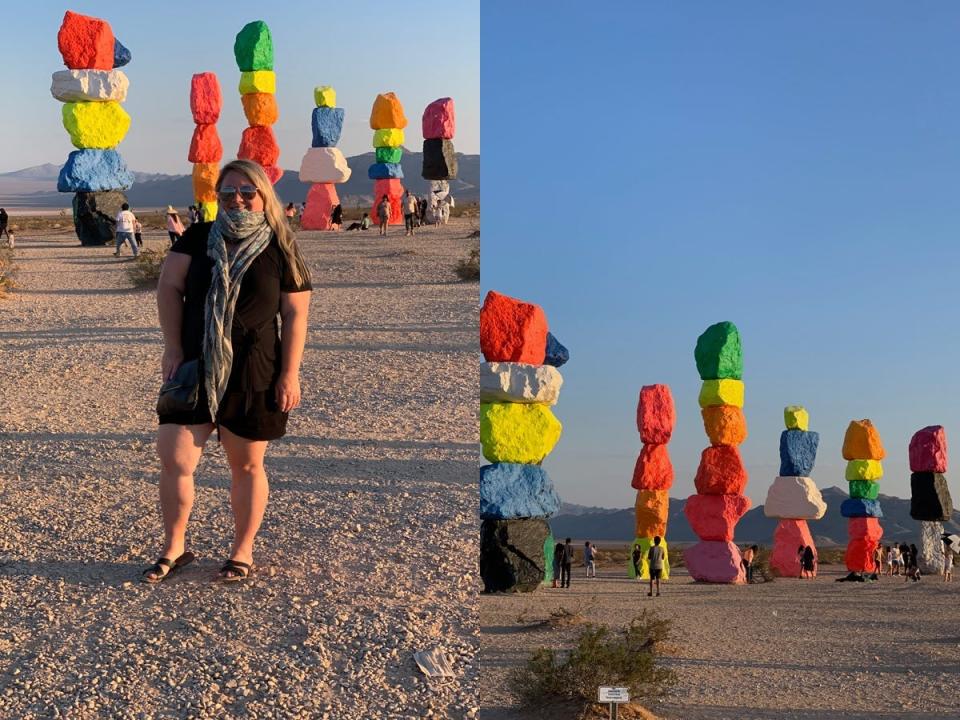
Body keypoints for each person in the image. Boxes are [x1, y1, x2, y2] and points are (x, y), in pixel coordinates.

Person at [143, 159, 312, 584]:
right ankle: (175, 547)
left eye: (246, 192)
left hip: (255, 370)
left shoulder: (282, 246)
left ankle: (242, 550)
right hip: (195, 365)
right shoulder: (197, 238)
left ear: (262, 196)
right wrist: (173, 345)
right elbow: (169, 287)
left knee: (247, 465)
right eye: (227, 192)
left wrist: (290, 374)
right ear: (216, 197)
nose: (236, 199)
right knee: (176, 457)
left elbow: (295, 316)